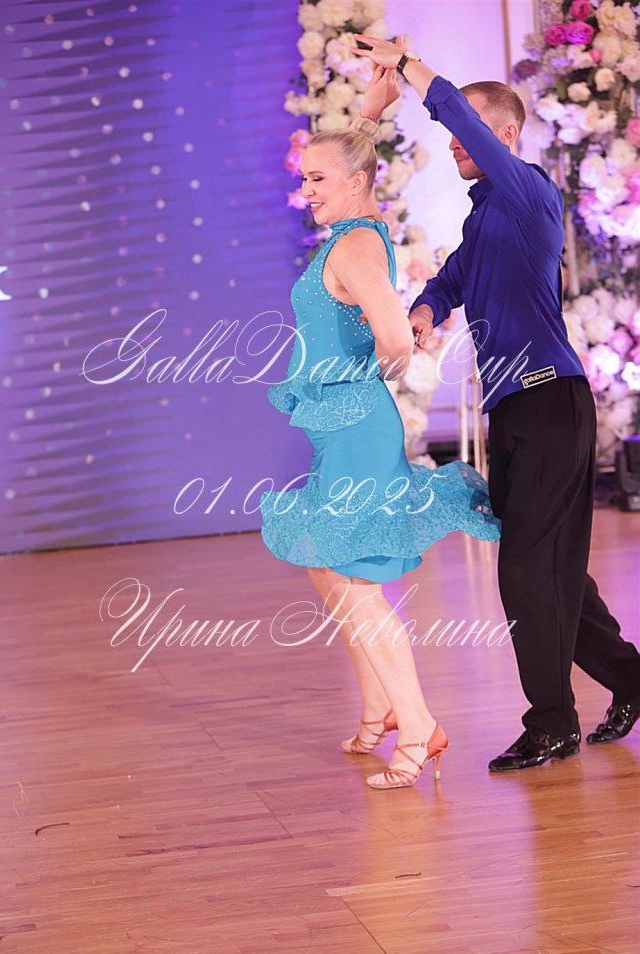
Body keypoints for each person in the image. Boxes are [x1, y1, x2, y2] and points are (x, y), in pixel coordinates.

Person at [351, 34, 640, 770]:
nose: (454, 144)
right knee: (554, 569)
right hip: (517, 411)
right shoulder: (485, 219)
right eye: (454, 135)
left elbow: (458, 114)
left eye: (467, 133)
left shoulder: (529, 192)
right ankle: (634, 680)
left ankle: (553, 723)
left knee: (526, 571)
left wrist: (408, 65)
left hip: (548, 402)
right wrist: (425, 309)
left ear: (504, 135)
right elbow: (451, 279)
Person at [259, 89, 501, 789]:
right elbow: (354, 158)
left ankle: (420, 726)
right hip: (343, 428)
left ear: (357, 182)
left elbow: (394, 337)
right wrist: (370, 109)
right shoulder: (352, 231)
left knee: (357, 582)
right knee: (325, 566)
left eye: (317, 179)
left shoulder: (358, 242)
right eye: (304, 178)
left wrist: (370, 372)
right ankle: (379, 708)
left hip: (357, 428)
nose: (306, 191)